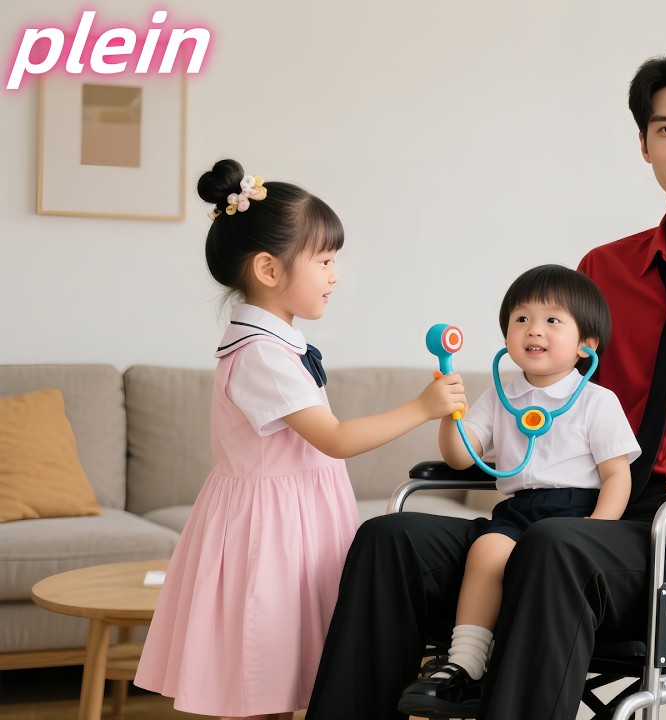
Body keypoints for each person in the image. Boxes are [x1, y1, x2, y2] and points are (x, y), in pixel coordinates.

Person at [305, 42, 666, 720]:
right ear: (644, 146)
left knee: (557, 547)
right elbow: (546, 392)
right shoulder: (603, 271)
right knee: (391, 539)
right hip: (578, 517)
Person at [134, 158, 466, 720]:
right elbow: (333, 438)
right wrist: (421, 407)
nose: (335, 275)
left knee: (292, 673)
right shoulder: (261, 353)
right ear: (269, 268)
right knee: (264, 674)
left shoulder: (274, 341)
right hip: (273, 529)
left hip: (296, 516)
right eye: (326, 261)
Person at [414, 264, 640, 713]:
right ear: (506, 337)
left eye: (552, 320)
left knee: (545, 556)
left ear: (585, 346)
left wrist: (597, 531)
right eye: (521, 319)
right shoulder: (499, 394)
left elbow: (618, 476)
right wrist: (447, 411)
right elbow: (461, 456)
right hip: (519, 510)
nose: (534, 330)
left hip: (575, 514)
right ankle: (465, 663)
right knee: (486, 553)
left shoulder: (598, 401)